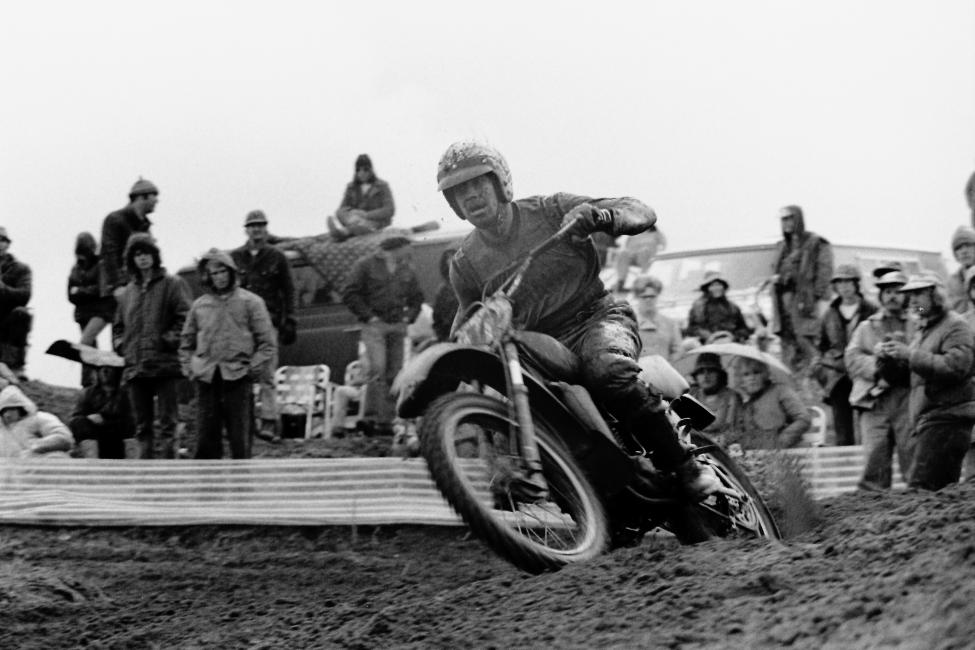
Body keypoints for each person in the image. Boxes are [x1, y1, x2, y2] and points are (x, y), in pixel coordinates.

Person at [436, 140, 719, 498]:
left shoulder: (549, 209)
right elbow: (467, 320)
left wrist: (599, 217)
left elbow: (638, 210)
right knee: (506, 394)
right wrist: (442, 374)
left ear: (499, 182)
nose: (471, 196)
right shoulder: (466, 263)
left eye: (477, 183)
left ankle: (684, 465)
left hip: (597, 319)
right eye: (459, 192)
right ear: (453, 204)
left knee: (606, 370)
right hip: (536, 345)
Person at [880, 272, 975, 490]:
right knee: (935, 496)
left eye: (918, 294)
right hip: (932, 421)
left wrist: (910, 355)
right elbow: (913, 377)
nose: (912, 301)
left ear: (936, 296)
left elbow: (956, 367)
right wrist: (889, 360)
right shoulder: (924, 329)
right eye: (909, 295)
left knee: (921, 491)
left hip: (948, 420)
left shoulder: (955, 325)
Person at [180, 249, 276, 459]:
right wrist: (189, 368)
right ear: (207, 276)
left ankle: (242, 487)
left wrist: (252, 368)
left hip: (237, 378)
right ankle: (207, 488)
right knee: (205, 439)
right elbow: (186, 343)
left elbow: (267, 343)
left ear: (231, 271)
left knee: (240, 440)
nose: (219, 277)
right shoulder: (199, 306)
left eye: (222, 271)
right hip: (207, 379)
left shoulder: (251, 302)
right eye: (213, 273)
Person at [113, 234, 191, 459]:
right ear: (131, 259)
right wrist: (121, 346)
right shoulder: (128, 291)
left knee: (168, 423)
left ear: (155, 255)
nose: (143, 258)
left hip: (164, 364)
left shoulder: (172, 284)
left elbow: (185, 318)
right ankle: (145, 476)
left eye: (146, 253)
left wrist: (168, 340)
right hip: (136, 366)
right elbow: (118, 325)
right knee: (141, 426)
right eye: (137, 254)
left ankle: (168, 472)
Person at [341, 236, 424, 435]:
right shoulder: (365, 265)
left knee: (395, 373)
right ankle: (370, 419)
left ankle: (386, 422)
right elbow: (350, 293)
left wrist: (408, 317)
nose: (409, 252)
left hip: (397, 326)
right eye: (406, 248)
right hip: (374, 326)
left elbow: (417, 297)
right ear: (395, 249)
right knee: (377, 368)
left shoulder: (407, 269)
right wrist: (368, 317)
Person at [845, 269, 915, 490]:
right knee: (875, 456)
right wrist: (877, 366)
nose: (892, 296)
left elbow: (931, 312)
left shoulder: (918, 318)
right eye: (887, 291)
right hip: (875, 399)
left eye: (898, 291)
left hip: (909, 397)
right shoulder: (867, 325)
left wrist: (906, 355)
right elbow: (851, 357)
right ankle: (872, 506)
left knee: (912, 455)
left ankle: (918, 501)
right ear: (881, 296)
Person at [230, 209, 297, 441]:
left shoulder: (277, 256)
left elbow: (289, 290)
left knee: (267, 373)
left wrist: (290, 319)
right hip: (240, 323)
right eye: (252, 226)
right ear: (246, 229)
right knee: (240, 373)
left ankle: (268, 422)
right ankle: (244, 421)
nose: (256, 229)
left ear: (266, 228)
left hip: (269, 320)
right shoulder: (235, 257)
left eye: (260, 225)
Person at [812, 264, 879, 446]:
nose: (844, 287)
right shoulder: (829, 313)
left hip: (864, 372)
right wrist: (824, 369)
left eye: (848, 282)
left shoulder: (871, 309)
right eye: (839, 282)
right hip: (838, 375)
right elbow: (820, 345)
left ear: (856, 284)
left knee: (870, 427)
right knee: (842, 430)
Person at [771, 205, 834, 373]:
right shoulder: (782, 246)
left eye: (791, 218)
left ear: (798, 219)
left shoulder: (815, 242)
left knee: (806, 338)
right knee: (789, 344)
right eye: (784, 219)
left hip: (806, 300)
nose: (787, 223)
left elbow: (825, 272)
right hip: (784, 302)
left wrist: (815, 298)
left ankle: (818, 372)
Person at [67, 232, 116, 386]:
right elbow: (70, 293)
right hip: (83, 313)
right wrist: (84, 292)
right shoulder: (76, 268)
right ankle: (98, 384)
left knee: (85, 343)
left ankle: (87, 382)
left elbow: (101, 290)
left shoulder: (101, 264)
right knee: (91, 347)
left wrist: (80, 291)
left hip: (101, 311)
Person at [100, 178, 158, 304]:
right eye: (154, 196)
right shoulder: (115, 220)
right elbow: (109, 254)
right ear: (141, 197)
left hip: (141, 286)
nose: (156, 200)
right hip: (123, 289)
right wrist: (117, 286)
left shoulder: (145, 226)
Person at [68, 351, 134, 459]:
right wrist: (89, 419)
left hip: (118, 437)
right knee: (79, 423)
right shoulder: (88, 393)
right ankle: (92, 461)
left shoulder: (125, 394)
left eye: (109, 368)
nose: (105, 372)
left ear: (117, 372)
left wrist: (105, 421)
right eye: (102, 368)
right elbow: (76, 417)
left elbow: (130, 420)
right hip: (95, 435)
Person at [737, 358, 811, 449]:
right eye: (746, 374)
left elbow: (803, 419)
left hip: (788, 452)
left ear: (765, 375)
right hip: (759, 455)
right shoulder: (746, 405)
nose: (752, 378)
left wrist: (782, 441)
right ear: (742, 380)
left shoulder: (781, 391)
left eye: (756, 372)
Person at [327, 154, 395, 241]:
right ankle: (352, 228)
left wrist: (366, 215)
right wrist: (353, 214)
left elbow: (389, 209)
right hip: (354, 219)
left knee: (362, 225)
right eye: (358, 170)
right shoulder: (351, 187)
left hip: (376, 222)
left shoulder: (382, 186)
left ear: (371, 170)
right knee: (340, 213)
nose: (361, 173)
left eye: (365, 170)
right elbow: (342, 208)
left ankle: (346, 232)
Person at [0, 385, 73, 459]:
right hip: (10, 468)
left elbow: (63, 437)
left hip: (41, 465)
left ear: (21, 408)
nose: (7, 414)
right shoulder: (2, 430)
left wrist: (35, 447)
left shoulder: (39, 418)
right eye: (3, 411)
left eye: (11, 409)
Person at [686, 353, 742, 446]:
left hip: (723, 449)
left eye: (711, 371)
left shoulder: (732, 397)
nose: (706, 376)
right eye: (701, 372)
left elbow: (735, 430)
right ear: (696, 377)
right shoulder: (692, 397)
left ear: (719, 374)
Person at [0, 227, 32, 380]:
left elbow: (25, 295)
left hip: (7, 319)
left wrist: (3, 289)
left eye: (2, 240)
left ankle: (15, 367)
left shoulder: (21, 269)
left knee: (22, 314)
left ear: (7, 244)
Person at [686, 270, 752, 344]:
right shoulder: (698, 307)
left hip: (731, 343)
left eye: (718, 285)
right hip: (707, 345)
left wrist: (732, 337)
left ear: (723, 287)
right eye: (712, 285)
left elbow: (743, 329)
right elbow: (692, 329)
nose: (716, 288)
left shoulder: (733, 307)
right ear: (707, 288)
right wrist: (709, 337)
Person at [631, 275, 682, 362]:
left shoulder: (670, 323)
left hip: (664, 371)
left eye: (652, 296)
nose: (648, 300)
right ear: (637, 297)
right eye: (644, 297)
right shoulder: (628, 324)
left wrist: (668, 365)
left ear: (657, 296)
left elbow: (677, 350)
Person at [612, 225, 667, 292]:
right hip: (633, 256)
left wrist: (656, 251)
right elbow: (626, 246)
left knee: (644, 251)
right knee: (623, 253)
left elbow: (663, 245)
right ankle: (621, 282)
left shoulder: (656, 233)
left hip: (647, 257)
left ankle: (641, 281)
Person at [331, 358, 366, 437]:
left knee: (368, 388)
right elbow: (356, 380)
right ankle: (338, 427)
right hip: (358, 390)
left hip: (372, 389)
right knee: (340, 390)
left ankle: (363, 427)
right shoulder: (363, 362)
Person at [945, 225, 975, 313]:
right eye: (959, 248)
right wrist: (920, 309)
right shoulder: (952, 282)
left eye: (968, 245)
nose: (964, 251)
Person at [431, 248, 459, 343]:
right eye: (448, 259)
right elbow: (437, 319)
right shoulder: (442, 291)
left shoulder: (470, 284)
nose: (451, 261)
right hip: (449, 336)